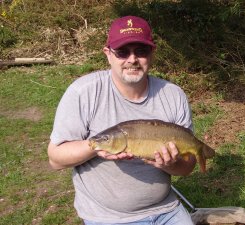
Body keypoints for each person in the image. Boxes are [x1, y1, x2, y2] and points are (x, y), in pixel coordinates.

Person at [48, 15, 196, 225]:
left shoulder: (173, 95)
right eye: (123, 51)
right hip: (109, 217)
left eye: (141, 51)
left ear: (152, 53)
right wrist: (95, 147)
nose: (132, 59)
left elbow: (187, 167)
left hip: (167, 208)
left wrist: (171, 165)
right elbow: (55, 159)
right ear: (108, 54)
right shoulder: (83, 92)